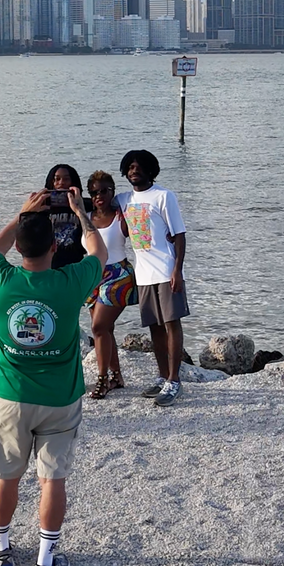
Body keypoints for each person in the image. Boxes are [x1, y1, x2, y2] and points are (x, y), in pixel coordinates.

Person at [0, 187, 105, 566]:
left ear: (19, 248)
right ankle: (45, 560)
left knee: (6, 477)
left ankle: (1, 552)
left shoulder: (0, 281)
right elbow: (97, 252)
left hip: (11, 397)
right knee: (52, 480)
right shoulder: (70, 282)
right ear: (55, 246)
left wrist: (22, 212)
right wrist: (81, 213)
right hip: (60, 399)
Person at [117, 149, 189, 407]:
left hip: (166, 270)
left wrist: (177, 270)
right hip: (143, 275)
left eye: (139, 166)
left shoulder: (163, 196)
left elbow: (179, 234)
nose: (134, 170)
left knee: (172, 324)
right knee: (154, 328)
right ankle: (161, 376)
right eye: (130, 167)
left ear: (150, 170)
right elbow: (97, 202)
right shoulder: (124, 199)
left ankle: (174, 380)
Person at [82, 169, 136, 399]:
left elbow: (145, 235)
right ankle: (117, 377)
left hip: (118, 275)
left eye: (104, 191)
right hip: (93, 275)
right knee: (106, 329)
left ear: (113, 191)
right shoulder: (85, 216)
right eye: (94, 192)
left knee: (98, 328)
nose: (99, 196)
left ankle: (102, 379)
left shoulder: (121, 216)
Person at [44, 164, 86, 269]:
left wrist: (79, 205)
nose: (61, 183)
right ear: (51, 182)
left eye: (66, 179)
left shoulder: (84, 204)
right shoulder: (43, 207)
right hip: (49, 264)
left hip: (76, 263)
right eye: (57, 179)